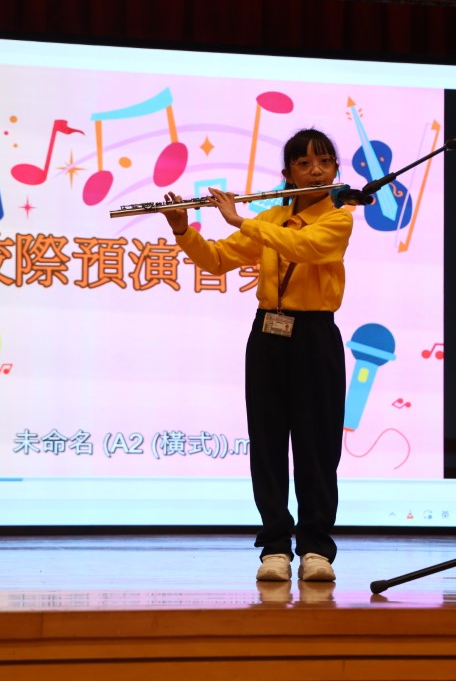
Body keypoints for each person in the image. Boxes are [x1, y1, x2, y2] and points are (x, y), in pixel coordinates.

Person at [161, 128, 353, 582]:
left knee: (317, 446)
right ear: (287, 174)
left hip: (316, 335)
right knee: (267, 444)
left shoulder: (338, 219)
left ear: (335, 170)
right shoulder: (272, 217)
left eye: (324, 162)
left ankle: (316, 548)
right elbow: (217, 260)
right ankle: (275, 547)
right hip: (268, 334)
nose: (316, 171)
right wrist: (183, 230)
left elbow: (305, 248)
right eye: (304, 164)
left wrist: (241, 221)